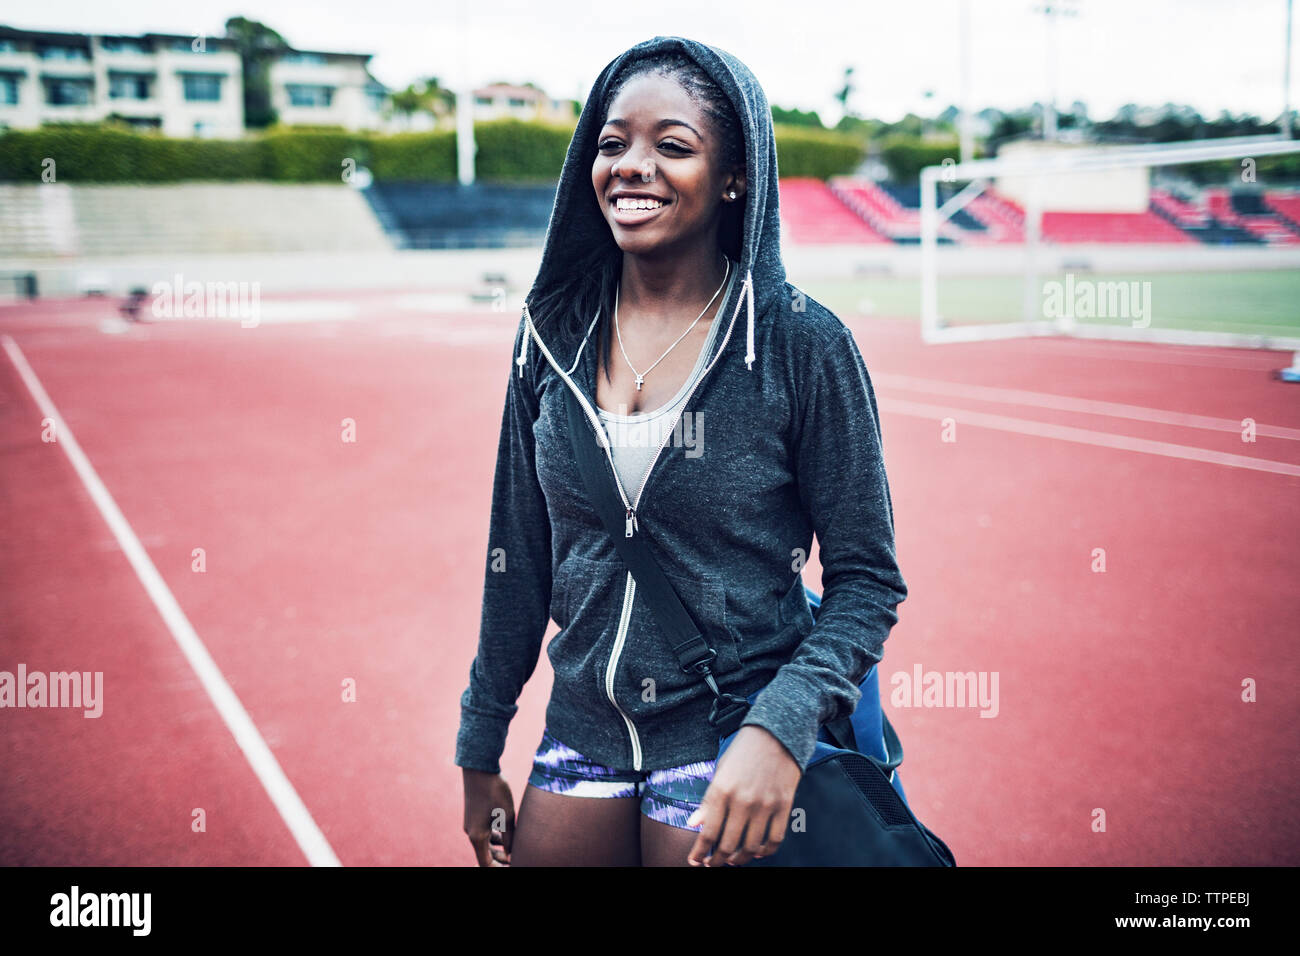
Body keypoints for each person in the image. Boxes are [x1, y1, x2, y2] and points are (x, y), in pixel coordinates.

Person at [455, 35, 908, 867]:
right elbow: (516, 555)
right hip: (582, 734)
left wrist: (783, 727)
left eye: (672, 146)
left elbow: (867, 580)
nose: (631, 165)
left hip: (731, 737)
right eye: (611, 142)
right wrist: (481, 745)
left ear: (735, 176)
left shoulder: (801, 344)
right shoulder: (549, 335)